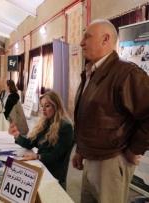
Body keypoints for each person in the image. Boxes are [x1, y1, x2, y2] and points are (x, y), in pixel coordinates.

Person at [73, 19, 149, 203]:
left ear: (105, 39)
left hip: (112, 162)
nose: (82, 42)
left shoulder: (127, 73)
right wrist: (81, 149)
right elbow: (90, 117)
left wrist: (134, 149)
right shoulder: (92, 72)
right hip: (90, 158)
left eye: (87, 37)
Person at [8, 90, 74, 189]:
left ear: (56, 106)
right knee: (9, 165)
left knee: (14, 173)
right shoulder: (45, 122)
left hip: (50, 170)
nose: (43, 109)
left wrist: (37, 156)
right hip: (40, 163)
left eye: (47, 106)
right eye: (41, 105)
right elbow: (30, 143)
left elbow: (55, 156)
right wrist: (16, 134)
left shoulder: (65, 126)